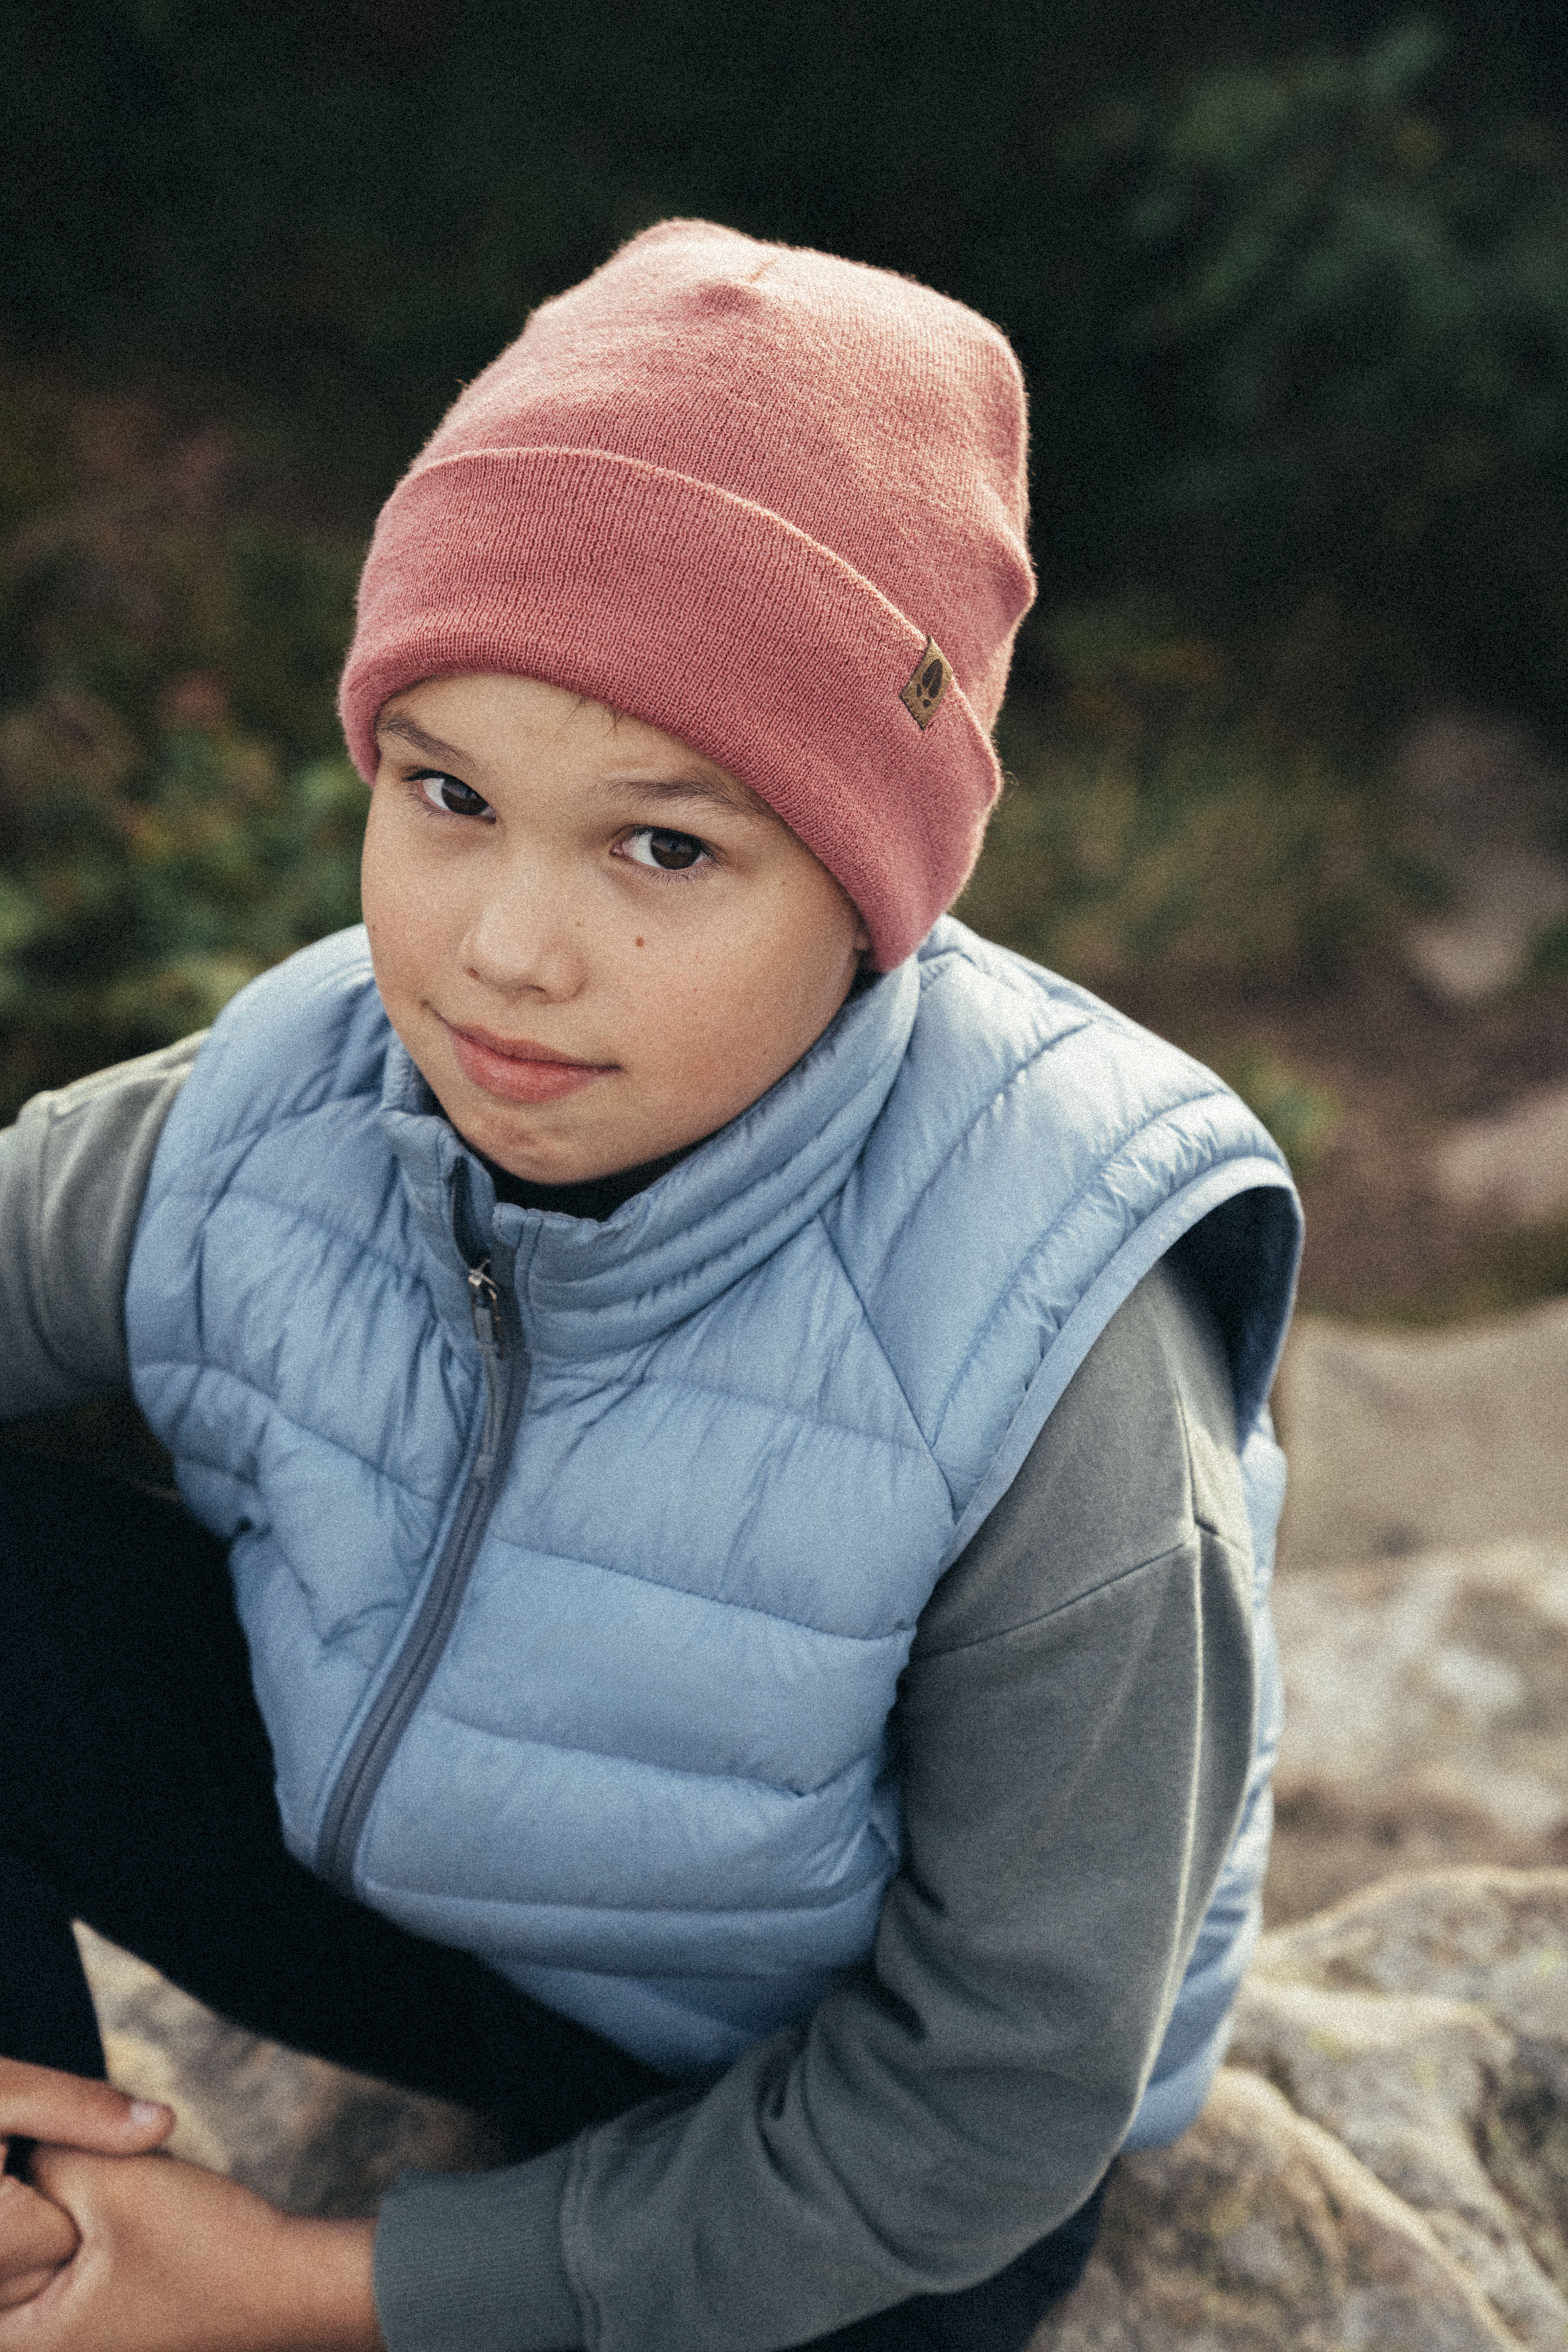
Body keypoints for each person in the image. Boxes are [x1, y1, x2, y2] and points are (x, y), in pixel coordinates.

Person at [0, 220, 1300, 2352]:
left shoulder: (1055, 1338)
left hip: (843, 2144)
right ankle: (45, 2251)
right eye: (448, 794)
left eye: (664, 848)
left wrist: (324, 2287)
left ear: (871, 888)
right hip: (438, 1926)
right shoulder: (289, 1100)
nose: (506, 952)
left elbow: (993, 2104)